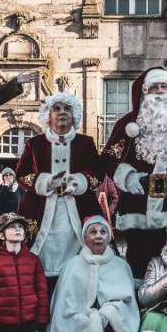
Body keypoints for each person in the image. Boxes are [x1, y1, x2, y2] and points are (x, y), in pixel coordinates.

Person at [101, 67, 167, 279]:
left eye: (164, 87)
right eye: (155, 87)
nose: (160, 91)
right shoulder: (128, 123)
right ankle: (140, 305)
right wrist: (128, 176)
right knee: (138, 263)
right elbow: (108, 157)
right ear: (145, 91)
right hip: (136, 208)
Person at [15, 92, 103, 290]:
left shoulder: (86, 143)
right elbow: (21, 174)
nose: (62, 112)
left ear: (74, 115)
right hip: (40, 211)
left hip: (78, 210)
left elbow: (98, 173)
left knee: (80, 266)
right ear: (48, 115)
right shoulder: (34, 144)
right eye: (57, 108)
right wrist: (45, 182)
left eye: (67, 109)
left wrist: (78, 182)